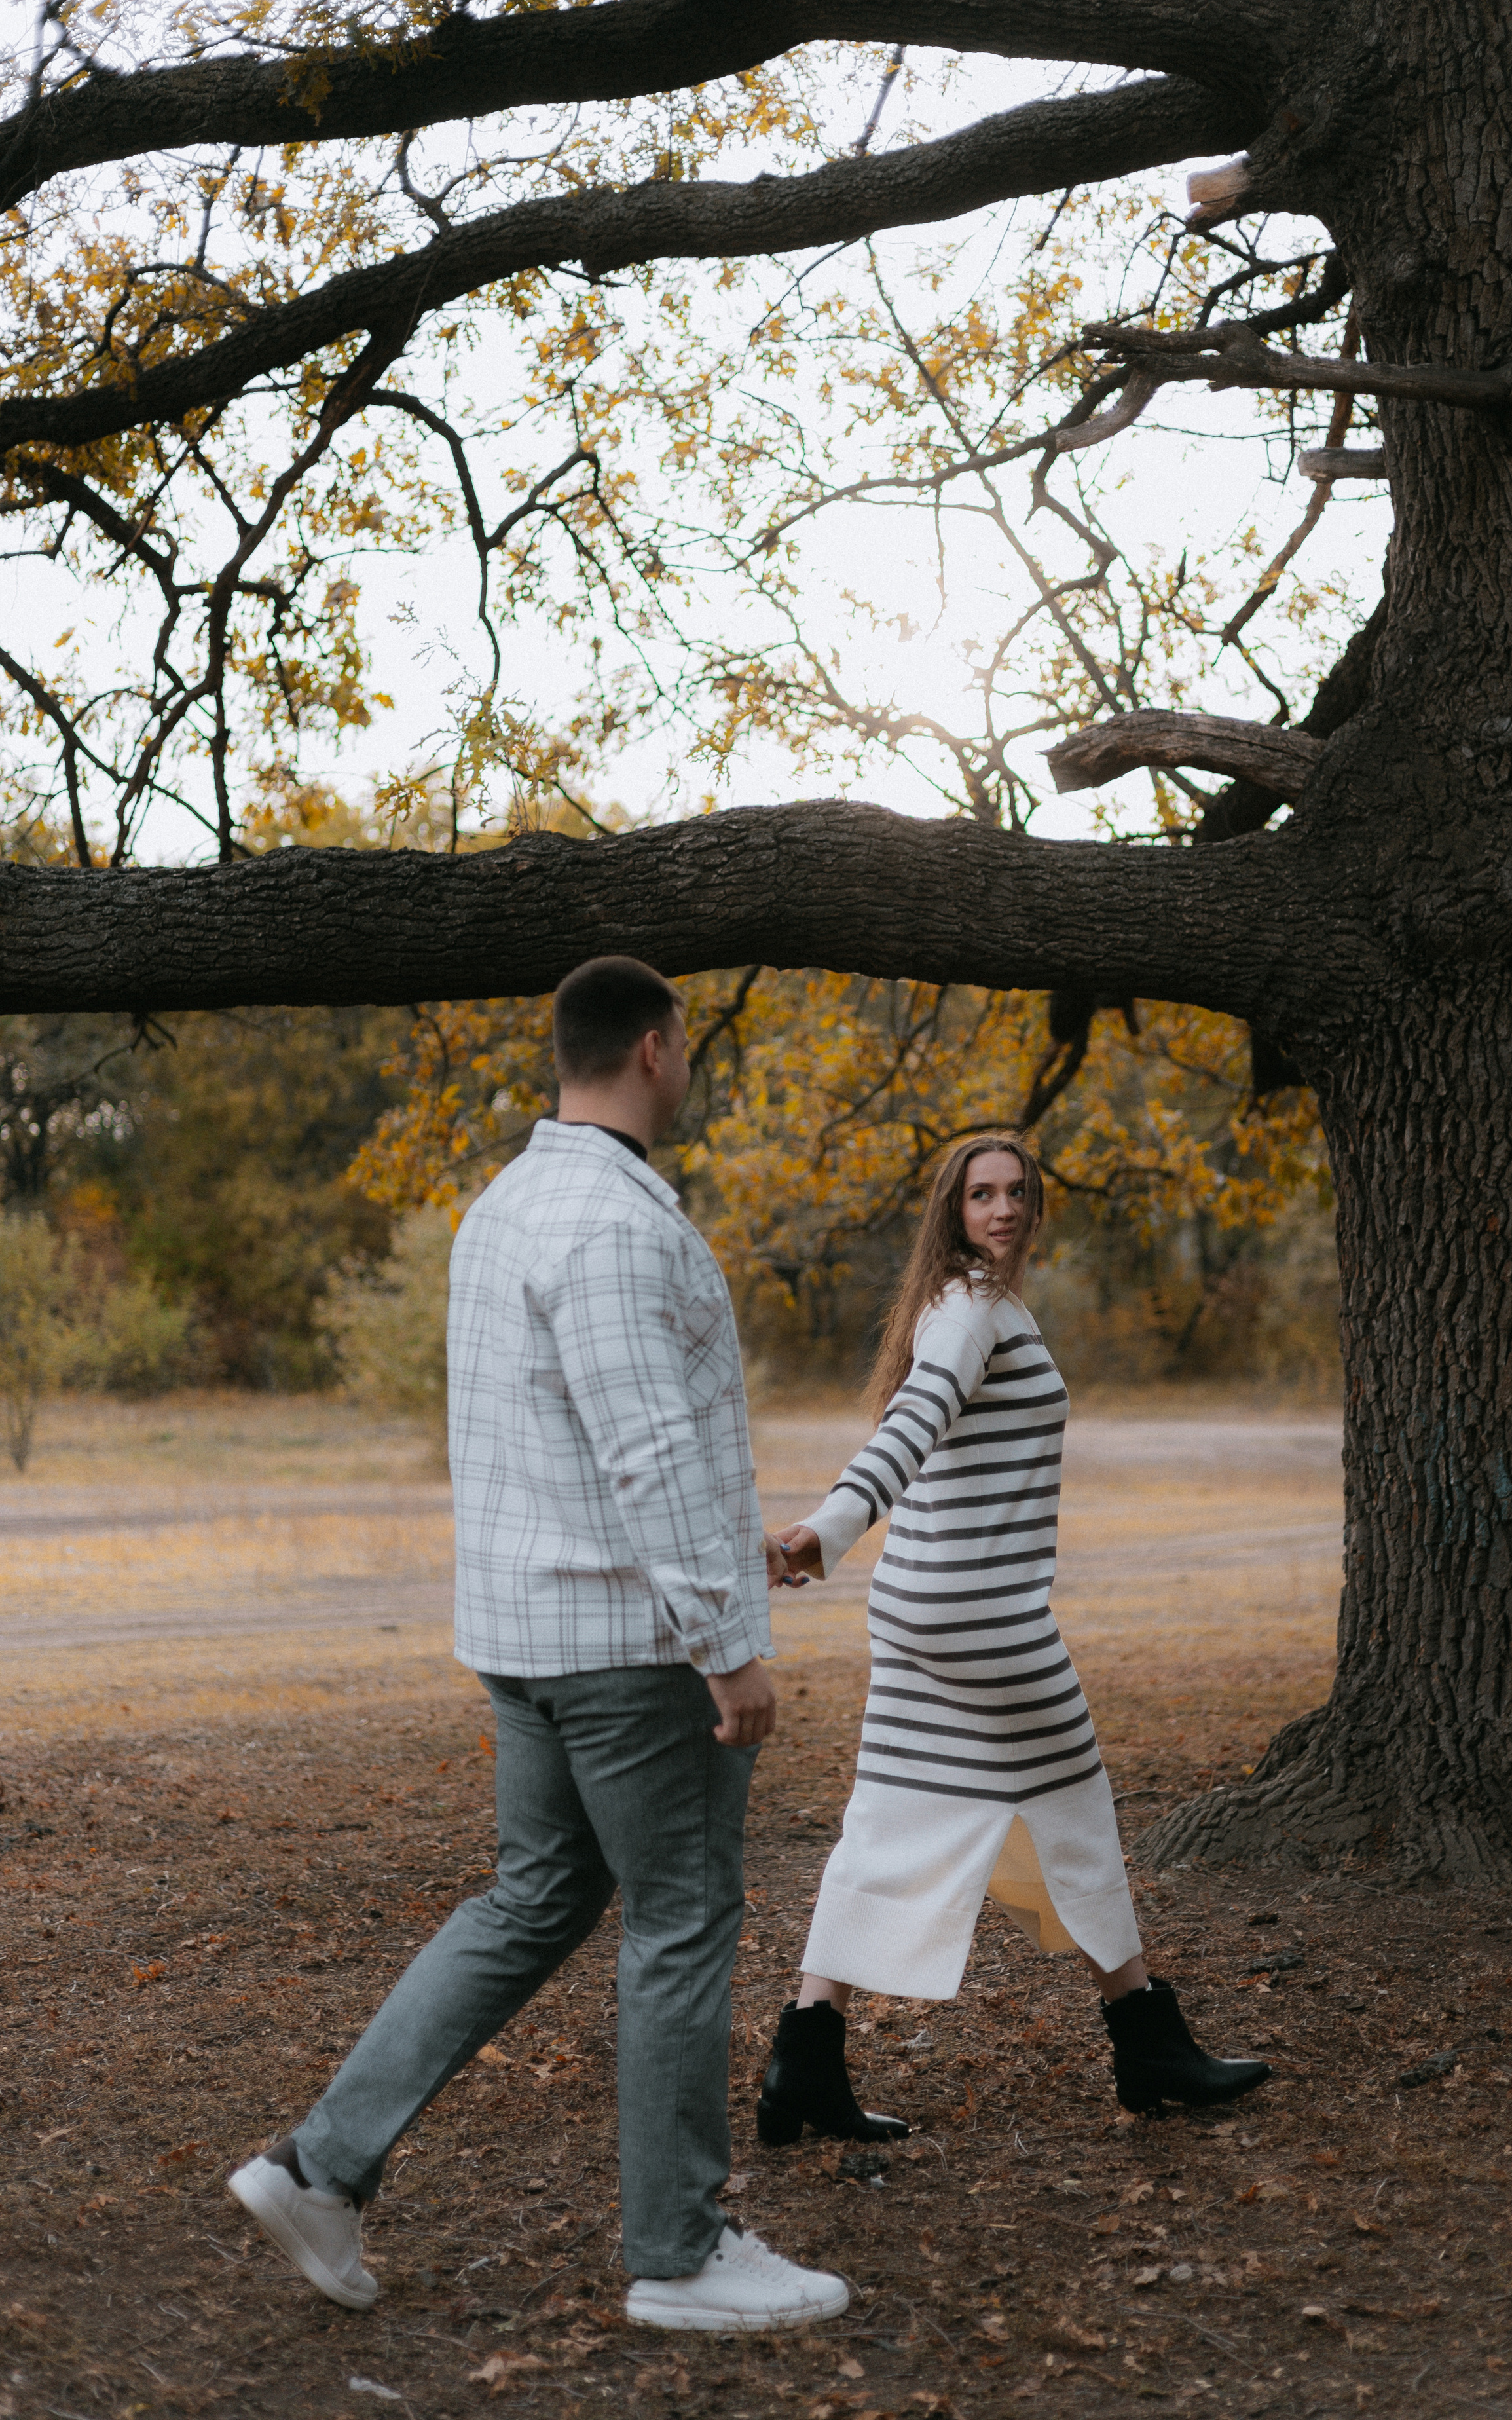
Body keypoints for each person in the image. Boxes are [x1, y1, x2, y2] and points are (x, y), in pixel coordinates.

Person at [229, 955, 847, 2334]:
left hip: (529, 1633)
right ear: (651, 1050)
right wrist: (721, 1645)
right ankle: (679, 2256)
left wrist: (714, 1543)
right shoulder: (618, 1224)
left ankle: (318, 2170)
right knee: (682, 1919)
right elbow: (642, 1442)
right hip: (631, 1652)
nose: (685, 1064)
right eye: (683, 1045)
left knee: (533, 1899)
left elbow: (570, 1440)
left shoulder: (503, 1209)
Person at [756, 1134, 1268, 2143]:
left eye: (1017, 1193)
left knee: (889, 1819)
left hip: (918, 1613)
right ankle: (1147, 2041)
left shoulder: (969, 1305)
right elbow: (913, 1420)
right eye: (981, 1194)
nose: (1002, 1209)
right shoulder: (973, 1309)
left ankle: (804, 2060)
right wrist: (831, 1529)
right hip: (983, 1620)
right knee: (1074, 1805)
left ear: (1036, 1208)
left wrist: (839, 1539)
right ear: (953, 1212)